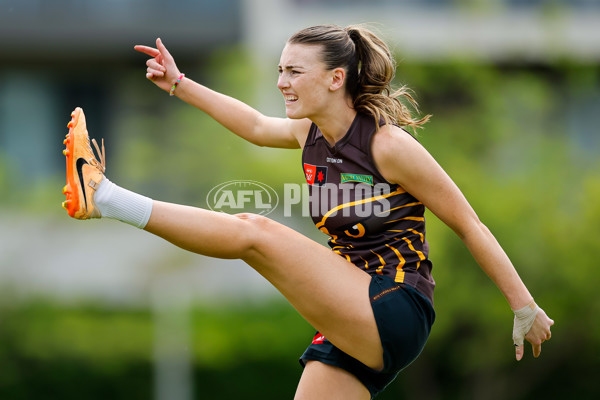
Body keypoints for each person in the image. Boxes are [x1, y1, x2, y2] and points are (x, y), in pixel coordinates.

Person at [61, 24, 554, 399]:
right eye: (280, 70)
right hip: (353, 314)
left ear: (336, 78)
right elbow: (254, 124)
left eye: (294, 71)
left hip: (394, 305)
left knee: (255, 233)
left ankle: (105, 198)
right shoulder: (308, 133)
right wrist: (179, 83)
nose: (281, 82)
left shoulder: (388, 146)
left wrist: (523, 305)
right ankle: (103, 198)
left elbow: (470, 225)